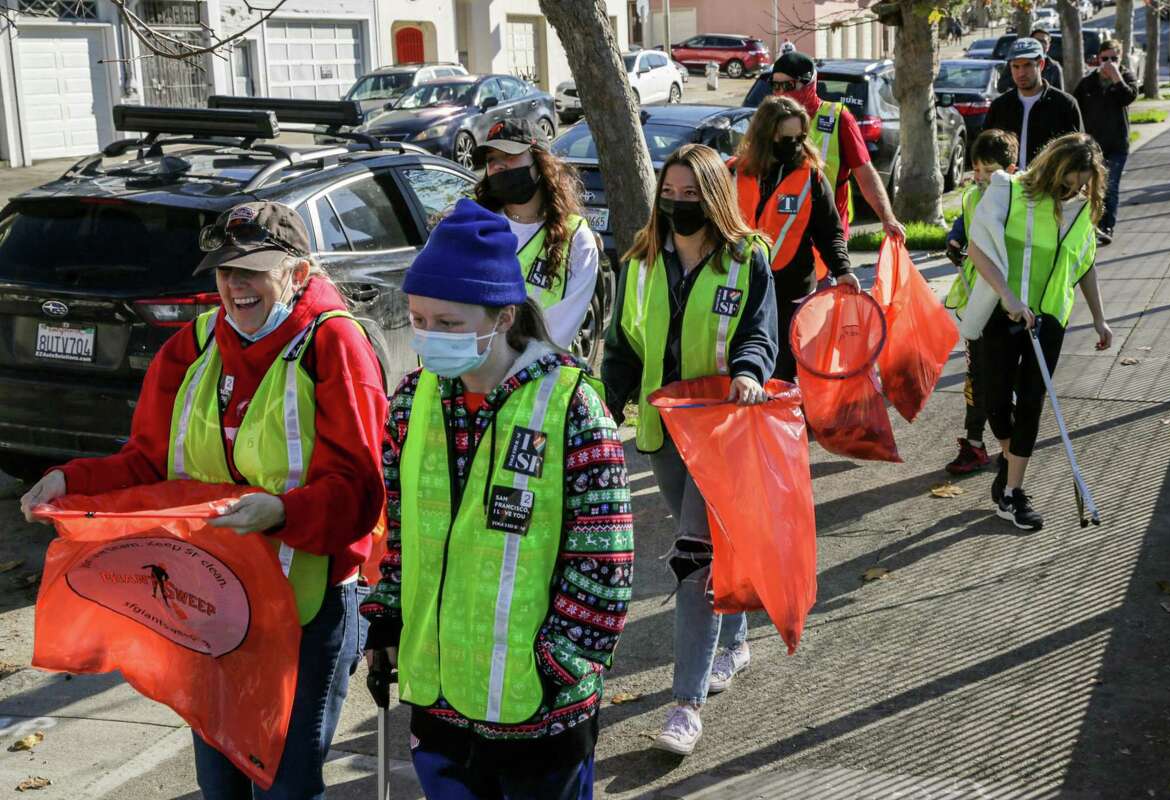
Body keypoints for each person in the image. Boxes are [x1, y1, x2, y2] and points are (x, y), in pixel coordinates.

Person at [19, 202, 387, 799]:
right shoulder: (192, 346)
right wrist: (72, 481)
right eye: (224, 271)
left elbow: (361, 490)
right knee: (220, 783)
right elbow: (146, 463)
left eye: (254, 270)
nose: (236, 285)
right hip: (213, 602)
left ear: (298, 273)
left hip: (308, 604)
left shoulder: (335, 343)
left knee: (288, 787)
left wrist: (284, 513)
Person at [360, 199, 632, 799]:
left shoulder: (572, 408)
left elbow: (604, 562)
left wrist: (557, 664)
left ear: (503, 317)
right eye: (419, 320)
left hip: (541, 714)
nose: (430, 338)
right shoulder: (411, 402)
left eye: (449, 324)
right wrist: (386, 619)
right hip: (441, 706)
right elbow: (404, 534)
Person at [602, 143, 778, 756]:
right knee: (703, 548)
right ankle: (734, 641)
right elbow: (622, 347)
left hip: (723, 432)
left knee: (695, 560)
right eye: (668, 195)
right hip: (661, 435)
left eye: (690, 195)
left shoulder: (746, 257)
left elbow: (759, 328)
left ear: (714, 196)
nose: (678, 205)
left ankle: (686, 704)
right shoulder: (640, 261)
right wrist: (603, 402)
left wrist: (751, 370)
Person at [961, 133, 1113, 530]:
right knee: (994, 402)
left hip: (1047, 319)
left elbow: (1083, 263)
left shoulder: (1080, 209)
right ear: (1053, 167)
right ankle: (1009, 460)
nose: (1074, 190)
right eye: (1069, 181)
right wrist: (1010, 297)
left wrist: (1100, 317)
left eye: (1082, 184)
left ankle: (1013, 491)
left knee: (1031, 400)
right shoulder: (1007, 191)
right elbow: (977, 249)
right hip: (1000, 311)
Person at [728, 94, 858, 381]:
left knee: (782, 374)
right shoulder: (733, 173)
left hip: (792, 291)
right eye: (787, 139)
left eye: (800, 138)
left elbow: (830, 232)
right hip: (739, 285)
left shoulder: (811, 178)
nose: (795, 146)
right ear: (767, 136)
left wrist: (843, 270)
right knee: (743, 369)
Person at [753, 52, 907, 243]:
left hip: (826, 232)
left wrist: (887, 218)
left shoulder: (838, 119)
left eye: (788, 85)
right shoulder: (766, 120)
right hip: (778, 233)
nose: (780, 93)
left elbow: (865, 173)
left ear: (809, 84)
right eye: (775, 86)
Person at [473, 118, 600, 350]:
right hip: (473, 373)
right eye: (492, 160)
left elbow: (558, 332)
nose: (498, 167)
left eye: (509, 156)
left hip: (537, 377)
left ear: (541, 164)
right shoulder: (471, 225)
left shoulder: (576, 240)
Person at [944, 128, 1019, 475]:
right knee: (977, 376)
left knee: (1006, 379)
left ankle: (1013, 443)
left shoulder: (1019, 200)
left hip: (1010, 301)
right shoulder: (974, 196)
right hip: (977, 301)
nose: (982, 178)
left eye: (990, 171)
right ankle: (975, 443)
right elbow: (965, 220)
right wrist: (955, 239)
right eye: (977, 170)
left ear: (1011, 168)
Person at [1073, 39, 1137, 245]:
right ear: (1098, 58)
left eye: (1114, 58)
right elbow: (1076, 108)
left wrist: (1116, 76)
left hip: (1117, 144)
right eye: (1105, 58)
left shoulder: (1125, 77)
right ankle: (1093, 224)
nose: (1109, 62)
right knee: (1092, 188)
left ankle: (1107, 225)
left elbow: (1128, 97)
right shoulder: (1088, 83)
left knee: (1111, 185)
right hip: (1093, 145)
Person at [985, 38, 1082, 169]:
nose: (1021, 73)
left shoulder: (1065, 104)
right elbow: (985, 151)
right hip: (1007, 187)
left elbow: (1079, 153)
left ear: (1041, 65)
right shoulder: (1000, 106)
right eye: (1016, 66)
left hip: (1049, 186)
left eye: (1027, 65)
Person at [998, 26, 1065, 92]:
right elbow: (1001, 87)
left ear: (1048, 46)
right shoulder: (1016, 62)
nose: (1040, 44)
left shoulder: (1054, 67)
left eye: (1043, 42)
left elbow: (1059, 93)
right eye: (1036, 41)